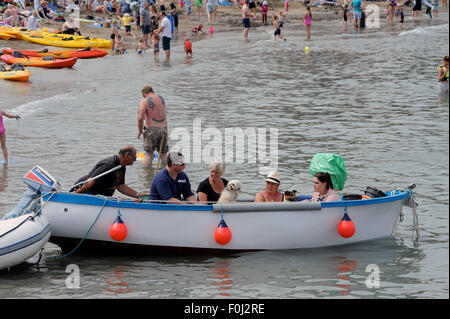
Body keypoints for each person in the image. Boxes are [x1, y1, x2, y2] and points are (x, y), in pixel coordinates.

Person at [71, 145, 147, 199]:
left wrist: (138, 195)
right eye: (134, 157)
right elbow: (90, 182)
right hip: (86, 193)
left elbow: (120, 186)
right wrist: (74, 196)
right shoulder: (108, 165)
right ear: (127, 155)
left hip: (102, 197)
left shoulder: (121, 166)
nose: (135, 159)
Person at [137, 85, 168, 167]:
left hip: (151, 130)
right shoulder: (161, 99)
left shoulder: (144, 101)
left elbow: (140, 118)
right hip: (164, 128)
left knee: (149, 154)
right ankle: (166, 173)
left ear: (144, 93)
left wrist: (140, 131)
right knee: (163, 154)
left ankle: (147, 177)